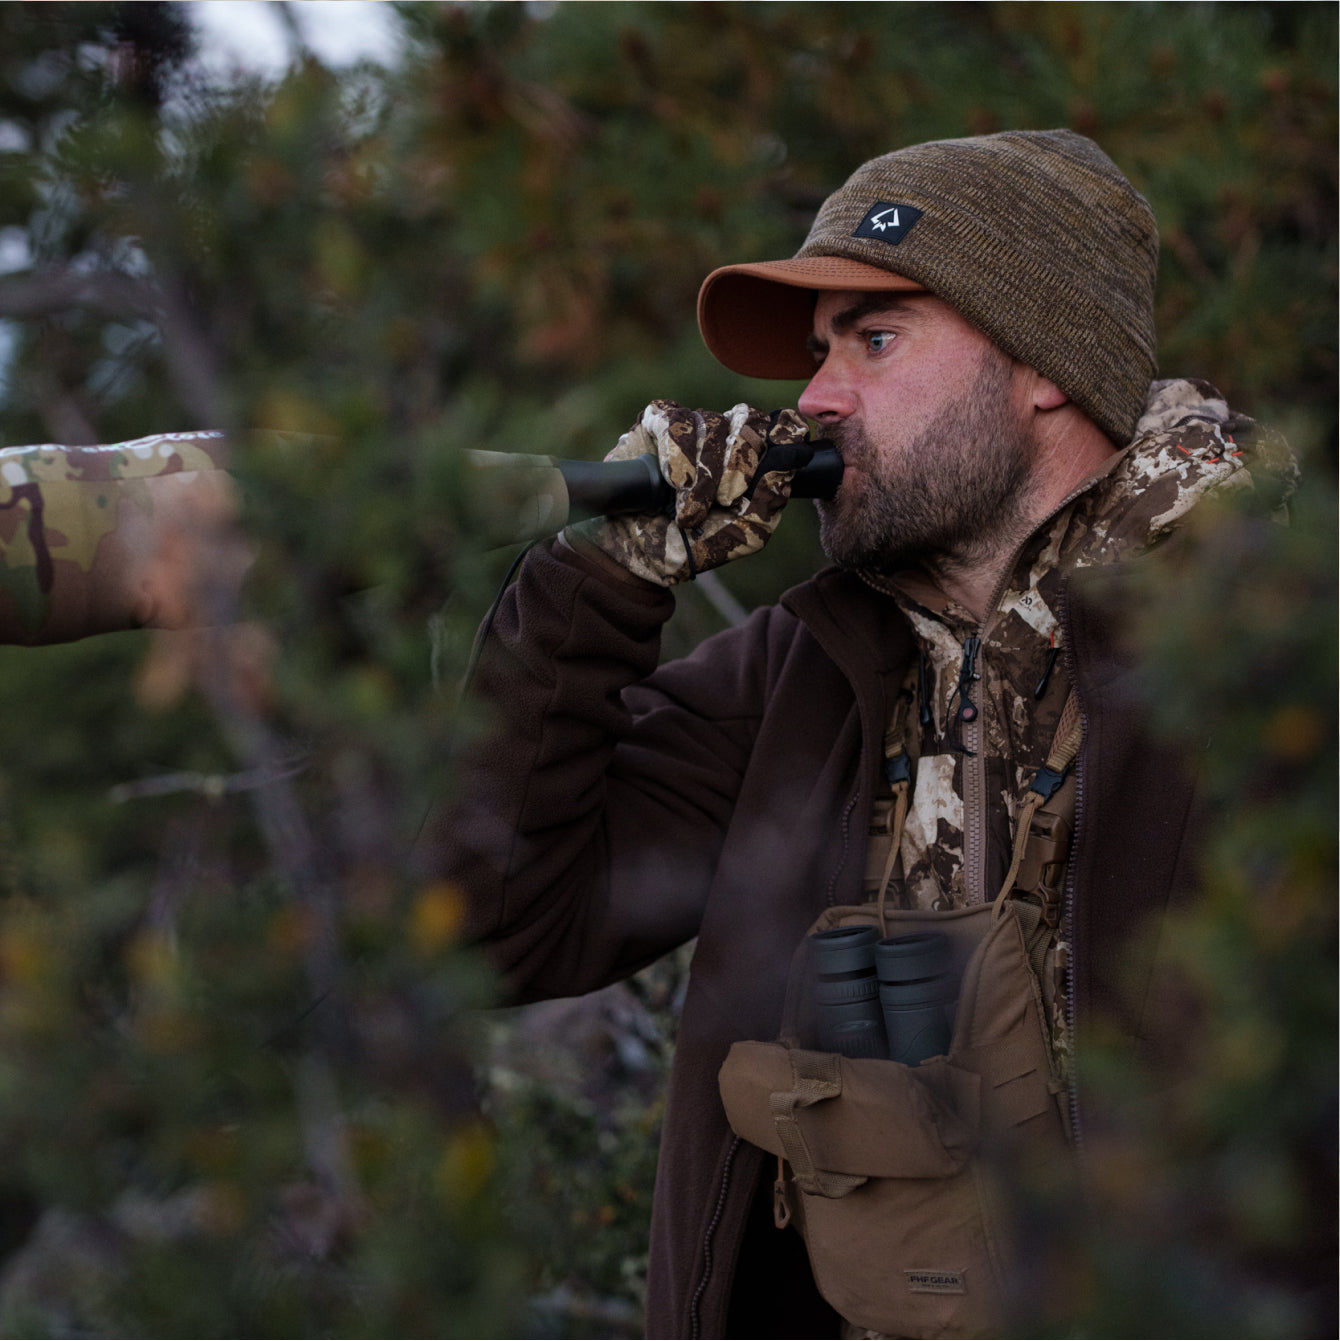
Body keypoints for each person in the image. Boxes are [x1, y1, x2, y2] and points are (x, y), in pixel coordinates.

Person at [417, 130, 1294, 1338]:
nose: (815, 398)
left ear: (1042, 367)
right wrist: (601, 580)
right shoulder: (801, 670)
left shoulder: (1276, 643)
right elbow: (485, 928)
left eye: (872, 341)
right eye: (819, 352)